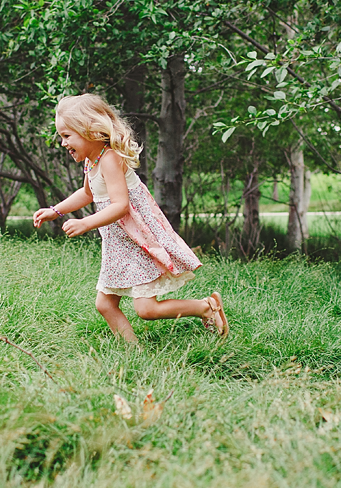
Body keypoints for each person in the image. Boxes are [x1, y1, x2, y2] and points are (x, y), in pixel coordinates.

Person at [34, 94, 228, 343]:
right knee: (105, 304)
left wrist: (86, 222)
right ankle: (132, 353)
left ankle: (206, 307)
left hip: (136, 239)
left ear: (90, 131)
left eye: (66, 135)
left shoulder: (110, 159)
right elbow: (87, 193)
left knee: (146, 310)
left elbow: (121, 206)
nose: (62, 143)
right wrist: (56, 210)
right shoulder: (92, 162)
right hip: (118, 245)